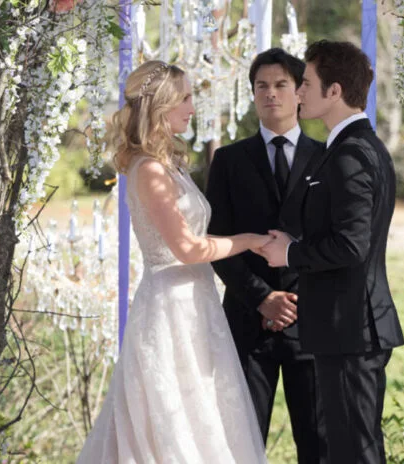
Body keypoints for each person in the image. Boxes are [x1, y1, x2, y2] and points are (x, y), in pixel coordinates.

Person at [77, 60, 269, 464]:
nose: (192, 108)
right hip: (170, 308)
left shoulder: (170, 165)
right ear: (161, 105)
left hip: (198, 303)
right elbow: (188, 249)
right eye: (185, 98)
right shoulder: (149, 170)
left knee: (204, 412)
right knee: (172, 417)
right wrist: (249, 241)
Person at [255, 40, 404, 464]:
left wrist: (290, 254)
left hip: (349, 328)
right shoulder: (353, 148)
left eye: (305, 83)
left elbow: (352, 245)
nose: (298, 92)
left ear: (334, 91)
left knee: (353, 452)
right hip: (346, 328)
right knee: (351, 449)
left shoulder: (350, 154)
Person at [206, 48, 325, 463]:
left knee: (318, 444)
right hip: (246, 322)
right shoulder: (228, 160)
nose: (270, 93)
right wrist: (262, 298)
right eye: (261, 86)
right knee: (240, 444)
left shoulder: (327, 158)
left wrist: (292, 301)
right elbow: (217, 243)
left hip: (312, 322)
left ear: (299, 92)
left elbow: (334, 240)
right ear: (253, 94)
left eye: (280, 85)